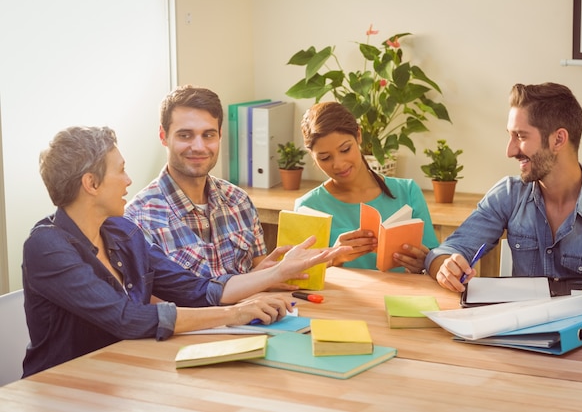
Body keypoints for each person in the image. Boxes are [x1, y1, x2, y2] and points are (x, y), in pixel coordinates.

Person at [22, 126, 349, 377]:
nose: (128, 180)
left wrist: (273, 275)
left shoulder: (122, 232)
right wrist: (235, 313)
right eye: (119, 170)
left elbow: (193, 288)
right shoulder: (47, 246)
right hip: (66, 386)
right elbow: (126, 319)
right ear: (91, 184)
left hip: (126, 373)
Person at [426, 82, 582, 292]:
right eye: (510, 135)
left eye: (520, 136)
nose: (510, 151)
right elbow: (446, 251)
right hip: (517, 323)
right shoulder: (509, 194)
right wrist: (446, 267)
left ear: (558, 139)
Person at [125, 85, 272, 280]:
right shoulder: (138, 219)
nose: (199, 147)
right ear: (163, 136)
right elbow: (151, 306)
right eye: (185, 135)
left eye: (208, 135)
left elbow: (261, 272)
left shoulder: (239, 201)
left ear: (220, 134)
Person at [294, 101, 439, 272]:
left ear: (359, 135)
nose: (338, 164)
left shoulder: (407, 191)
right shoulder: (308, 207)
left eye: (345, 149)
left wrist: (424, 265)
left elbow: (433, 261)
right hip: (340, 299)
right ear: (312, 156)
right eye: (325, 158)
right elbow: (298, 277)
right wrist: (334, 258)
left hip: (400, 297)